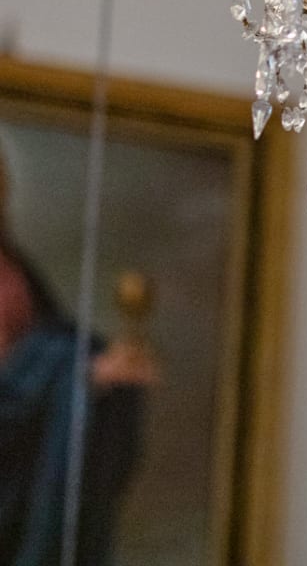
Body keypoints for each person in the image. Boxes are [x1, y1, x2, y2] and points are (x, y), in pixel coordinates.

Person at [0, 153, 158, 566]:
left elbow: (48, 344)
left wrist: (105, 367)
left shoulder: (15, 269)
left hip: (29, 462)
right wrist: (79, 372)